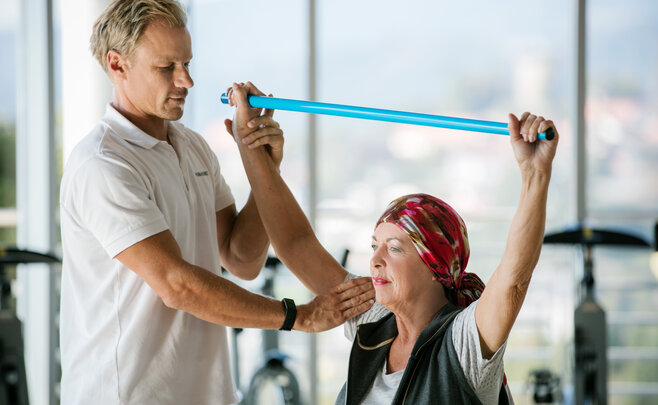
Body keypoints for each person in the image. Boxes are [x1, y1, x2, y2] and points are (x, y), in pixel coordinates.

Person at [58, 1, 374, 404]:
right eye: (166, 67)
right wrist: (301, 316)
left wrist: (262, 167)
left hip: (205, 393)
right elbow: (177, 285)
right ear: (117, 65)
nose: (186, 80)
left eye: (187, 63)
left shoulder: (191, 147)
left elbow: (242, 259)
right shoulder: (103, 164)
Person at [225, 82, 559, 404]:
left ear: (435, 267)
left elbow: (514, 276)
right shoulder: (372, 318)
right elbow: (296, 243)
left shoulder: (463, 342)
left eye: (395, 248)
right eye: (375, 246)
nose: (375, 261)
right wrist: (250, 142)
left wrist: (535, 175)